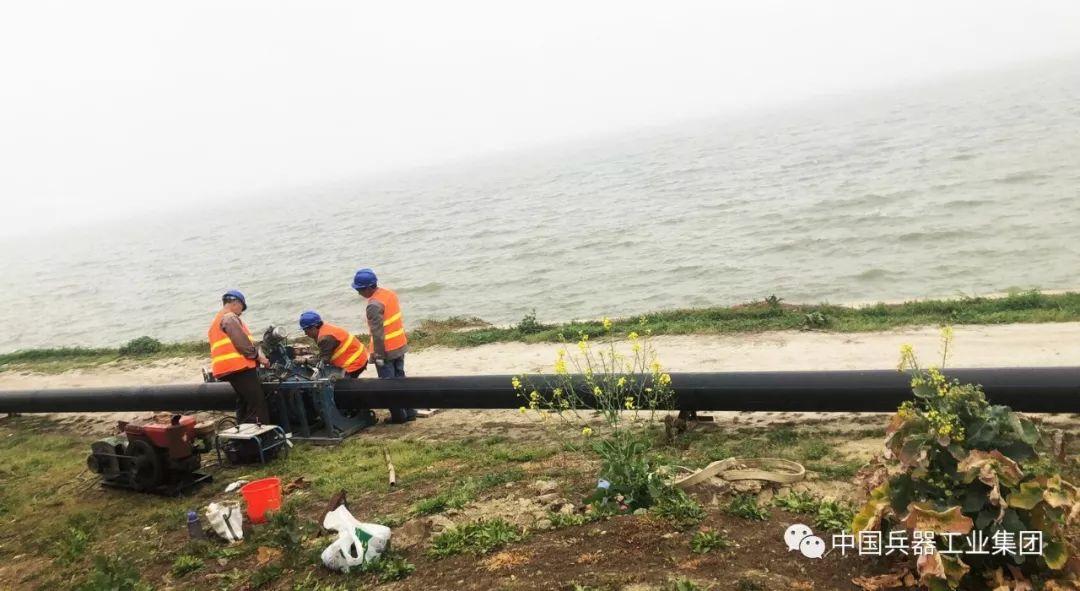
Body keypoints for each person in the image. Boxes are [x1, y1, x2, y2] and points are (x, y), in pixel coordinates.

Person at [352, 268, 416, 423]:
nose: (359, 293)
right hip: (399, 345)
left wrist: (379, 356)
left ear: (368, 288)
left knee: (388, 385)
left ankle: (399, 417)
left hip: (386, 351)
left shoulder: (373, 305)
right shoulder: (389, 294)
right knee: (401, 380)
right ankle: (410, 412)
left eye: (360, 290)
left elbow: (377, 334)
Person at [208, 290, 271, 423]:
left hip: (226, 369)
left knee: (244, 401)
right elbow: (242, 344)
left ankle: (242, 432)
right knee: (257, 403)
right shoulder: (229, 317)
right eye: (242, 308)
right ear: (235, 302)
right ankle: (262, 433)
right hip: (240, 368)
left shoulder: (217, 320)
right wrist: (259, 357)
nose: (241, 312)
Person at [297, 310, 368, 378]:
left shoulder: (325, 339)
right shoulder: (325, 328)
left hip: (355, 362)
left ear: (313, 328)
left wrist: (305, 361)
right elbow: (324, 353)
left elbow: (323, 361)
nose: (305, 333)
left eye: (305, 330)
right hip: (358, 356)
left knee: (339, 384)